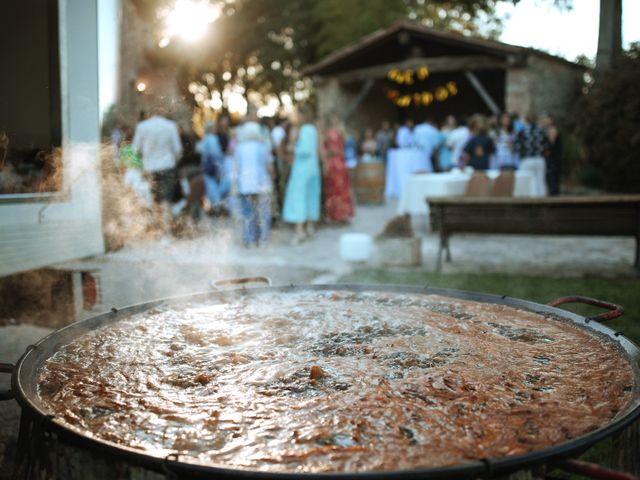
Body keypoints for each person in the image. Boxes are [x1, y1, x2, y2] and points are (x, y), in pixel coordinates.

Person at [132, 109, 182, 230]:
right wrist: (174, 162)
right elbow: (178, 150)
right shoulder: (170, 126)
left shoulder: (142, 127)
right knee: (166, 200)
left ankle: (157, 231)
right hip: (168, 166)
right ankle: (166, 232)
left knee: (155, 200)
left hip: (150, 168)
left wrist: (141, 166)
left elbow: (135, 150)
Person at [282, 110, 321, 244]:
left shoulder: (305, 130)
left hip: (302, 169)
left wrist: (293, 146)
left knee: (299, 197)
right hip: (313, 168)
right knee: (311, 196)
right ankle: (309, 227)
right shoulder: (313, 130)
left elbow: (305, 150)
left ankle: (300, 231)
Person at [233, 120, 273, 247]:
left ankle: (249, 239)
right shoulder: (263, 147)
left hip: (245, 185)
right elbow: (269, 166)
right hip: (262, 184)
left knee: (247, 212)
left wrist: (235, 184)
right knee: (263, 212)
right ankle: (263, 239)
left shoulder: (239, 148)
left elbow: (236, 169)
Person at [321, 116, 354, 224]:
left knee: (339, 190)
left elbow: (337, 149)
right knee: (336, 190)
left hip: (336, 164)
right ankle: (337, 216)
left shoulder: (334, 132)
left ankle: (339, 216)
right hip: (335, 164)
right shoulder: (333, 132)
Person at [514, 113, 549, 196]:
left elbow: (517, 146)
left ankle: (528, 201)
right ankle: (542, 201)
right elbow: (547, 145)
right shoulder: (542, 130)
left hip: (527, 159)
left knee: (526, 180)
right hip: (539, 159)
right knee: (540, 180)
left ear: (526, 120)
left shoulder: (522, 131)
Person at [196, 121, 224, 210]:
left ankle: (213, 204)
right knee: (213, 184)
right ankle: (217, 204)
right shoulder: (212, 138)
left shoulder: (205, 138)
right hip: (213, 165)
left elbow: (198, 149)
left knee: (209, 184)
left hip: (206, 164)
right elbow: (216, 152)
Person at [541, 114, 562, 195]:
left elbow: (551, 145)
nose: (544, 121)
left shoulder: (552, 130)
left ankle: (554, 195)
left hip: (553, 159)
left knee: (553, 178)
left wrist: (547, 153)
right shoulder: (546, 130)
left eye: (546, 119)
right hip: (553, 158)